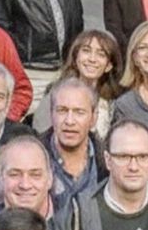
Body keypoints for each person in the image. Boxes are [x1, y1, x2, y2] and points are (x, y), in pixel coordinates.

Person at [43, 77, 106, 212]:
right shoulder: (32, 157)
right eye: (62, 110)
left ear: (93, 118)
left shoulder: (108, 161)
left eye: (79, 112)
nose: (69, 121)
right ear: (51, 114)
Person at [45, 28, 121, 137]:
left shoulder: (113, 104)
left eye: (101, 54)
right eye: (86, 51)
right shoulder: (56, 94)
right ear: (75, 58)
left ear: (108, 66)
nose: (92, 59)